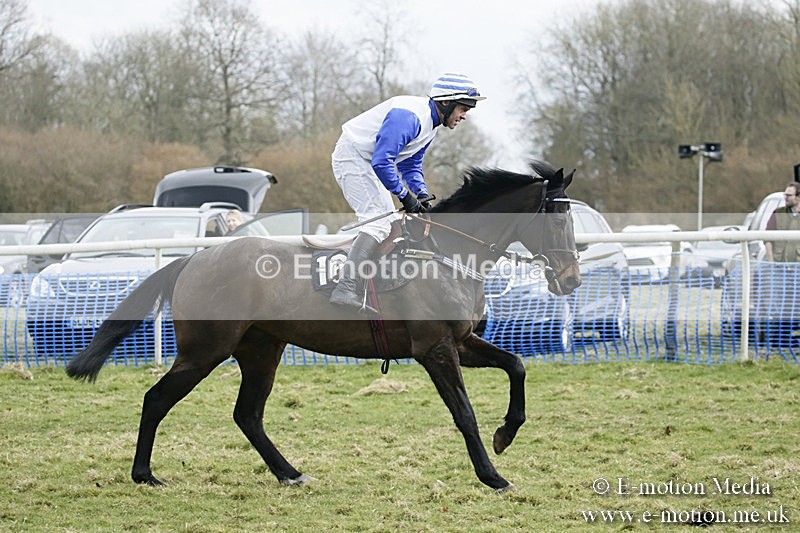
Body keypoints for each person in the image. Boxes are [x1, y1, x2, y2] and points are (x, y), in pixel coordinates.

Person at [329, 73, 486, 311]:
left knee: (393, 225)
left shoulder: (431, 125)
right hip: (352, 157)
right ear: (446, 102)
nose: (464, 116)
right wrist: (405, 196)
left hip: (366, 160)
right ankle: (345, 287)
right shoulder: (409, 117)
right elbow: (382, 162)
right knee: (377, 224)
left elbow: (410, 165)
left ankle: (373, 285)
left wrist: (420, 194)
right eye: (463, 109)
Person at [765, 181, 800, 262]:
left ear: (798, 197)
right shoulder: (778, 213)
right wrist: (771, 260)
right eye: (785, 195)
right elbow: (767, 238)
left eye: (789, 195)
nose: (786, 198)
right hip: (780, 265)